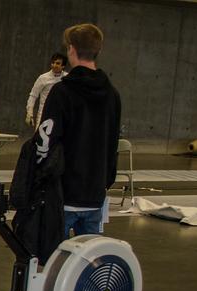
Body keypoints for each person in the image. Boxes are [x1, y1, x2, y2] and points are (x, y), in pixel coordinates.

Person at [33, 23, 121, 238]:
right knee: (90, 265)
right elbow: (112, 144)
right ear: (98, 51)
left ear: (71, 49)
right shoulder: (112, 95)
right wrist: (104, 183)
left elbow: (45, 141)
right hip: (95, 195)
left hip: (64, 194)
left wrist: (39, 179)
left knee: (54, 262)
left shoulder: (62, 92)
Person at [25, 53, 66, 129]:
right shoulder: (43, 78)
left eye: (57, 63)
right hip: (43, 114)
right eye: (53, 63)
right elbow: (33, 95)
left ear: (63, 66)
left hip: (60, 116)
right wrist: (29, 113)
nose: (54, 65)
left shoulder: (67, 78)